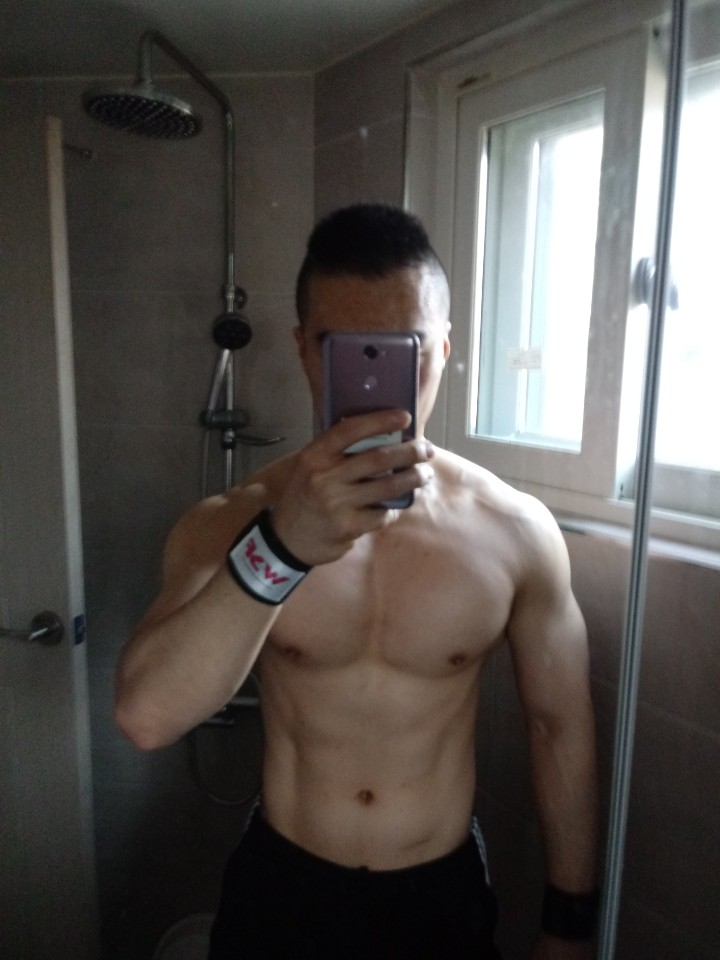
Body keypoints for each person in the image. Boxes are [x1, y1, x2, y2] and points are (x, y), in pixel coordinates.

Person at [116, 204, 599, 959]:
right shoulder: (231, 522)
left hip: (438, 894)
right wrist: (283, 547)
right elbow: (147, 717)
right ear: (306, 352)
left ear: (444, 349)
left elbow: (558, 728)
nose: (380, 387)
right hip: (284, 885)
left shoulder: (514, 532)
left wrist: (569, 925)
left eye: (404, 351)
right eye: (347, 350)